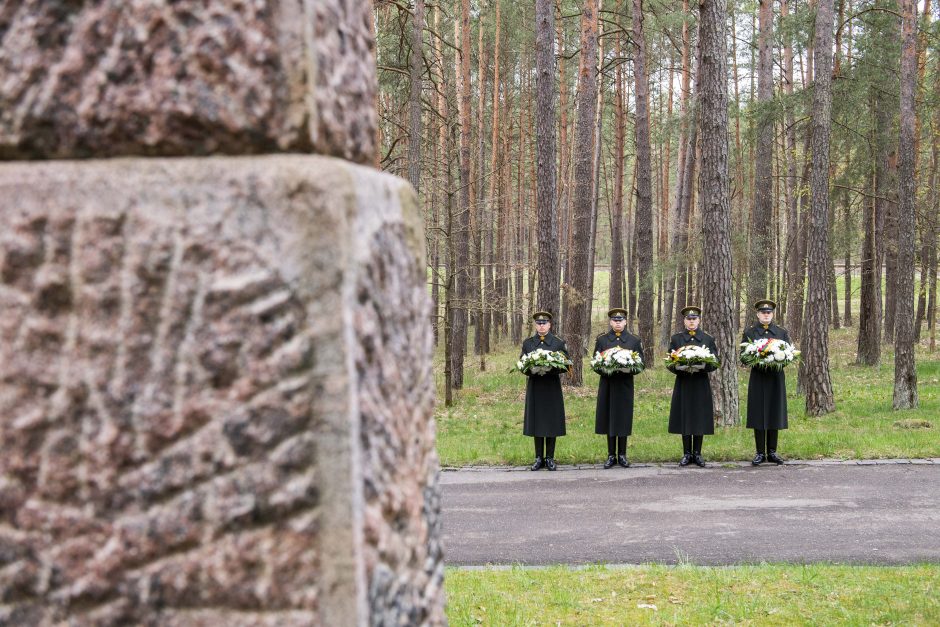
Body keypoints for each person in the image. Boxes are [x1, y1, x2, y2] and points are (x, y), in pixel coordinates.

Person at [666, 306, 719, 467]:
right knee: (685, 417)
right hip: (683, 382)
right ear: (684, 321)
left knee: (699, 417)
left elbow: (715, 361)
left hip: (700, 382)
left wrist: (703, 366)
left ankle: (697, 453)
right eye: (689, 319)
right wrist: (679, 367)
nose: (691, 322)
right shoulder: (676, 339)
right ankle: (686, 453)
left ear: (699, 320)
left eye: (694, 319)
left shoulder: (707, 339)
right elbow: (669, 361)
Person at [741, 299, 791, 465]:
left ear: (772, 314)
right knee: (758, 413)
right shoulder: (750, 333)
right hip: (759, 377)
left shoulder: (781, 333)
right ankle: (760, 452)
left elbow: (789, 355)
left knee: (773, 412)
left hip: (776, 378)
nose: (766, 315)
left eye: (768, 312)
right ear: (757, 314)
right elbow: (743, 357)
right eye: (763, 312)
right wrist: (757, 359)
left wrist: (778, 360)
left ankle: (772, 451)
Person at [594, 307, 643, 468]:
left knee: (622, 418)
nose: (617, 323)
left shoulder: (633, 341)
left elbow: (641, 364)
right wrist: (605, 368)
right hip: (608, 384)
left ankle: (622, 454)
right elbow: (595, 364)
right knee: (609, 418)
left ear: (625, 322)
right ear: (610, 322)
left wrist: (628, 368)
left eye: (620, 320)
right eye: (615, 320)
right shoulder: (602, 340)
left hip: (624, 385)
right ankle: (610, 455)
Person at [520, 311, 569, 471]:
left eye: (544, 323)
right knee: (537, 421)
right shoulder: (528, 343)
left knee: (551, 421)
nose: (541, 325)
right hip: (535, 387)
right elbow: (522, 364)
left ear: (550, 325)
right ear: (535, 325)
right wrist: (532, 370)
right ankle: (538, 457)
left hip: (551, 387)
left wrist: (550, 369)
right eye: (539, 323)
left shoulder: (558, 343)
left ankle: (550, 458)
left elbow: (567, 365)